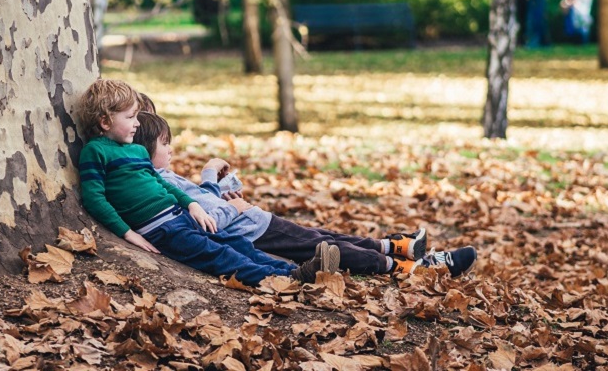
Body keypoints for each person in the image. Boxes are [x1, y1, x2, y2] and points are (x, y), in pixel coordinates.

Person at [132, 110, 478, 279]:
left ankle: (397, 246)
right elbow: (208, 218)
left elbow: (206, 204)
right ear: (145, 149)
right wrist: (220, 191)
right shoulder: (157, 181)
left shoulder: (160, 175)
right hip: (251, 229)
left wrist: (222, 191)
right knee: (327, 248)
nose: (172, 149)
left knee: (326, 236)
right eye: (165, 144)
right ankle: (413, 269)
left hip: (254, 220)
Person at [76, 79, 340, 286]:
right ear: (105, 120)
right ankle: (284, 281)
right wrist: (127, 233)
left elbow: (162, 185)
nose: (137, 124)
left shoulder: (136, 150)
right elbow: (95, 198)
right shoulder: (96, 152)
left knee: (236, 244)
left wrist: (192, 205)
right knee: (219, 256)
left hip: (181, 215)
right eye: (131, 117)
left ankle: (298, 271)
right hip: (162, 230)